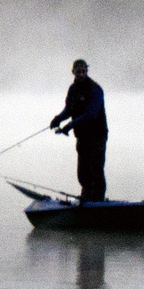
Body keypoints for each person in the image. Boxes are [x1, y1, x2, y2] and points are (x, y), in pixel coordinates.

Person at [49, 58, 108, 203]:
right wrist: (58, 119)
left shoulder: (95, 89)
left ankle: (97, 201)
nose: (81, 74)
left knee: (96, 171)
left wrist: (70, 125)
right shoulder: (73, 89)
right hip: (82, 137)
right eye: (78, 71)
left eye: (83, 71)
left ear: (87, 72)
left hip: (97, 136)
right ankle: (86, 198)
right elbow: (69, 109)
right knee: (82, 173)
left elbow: (91, 114)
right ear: (73, 72)